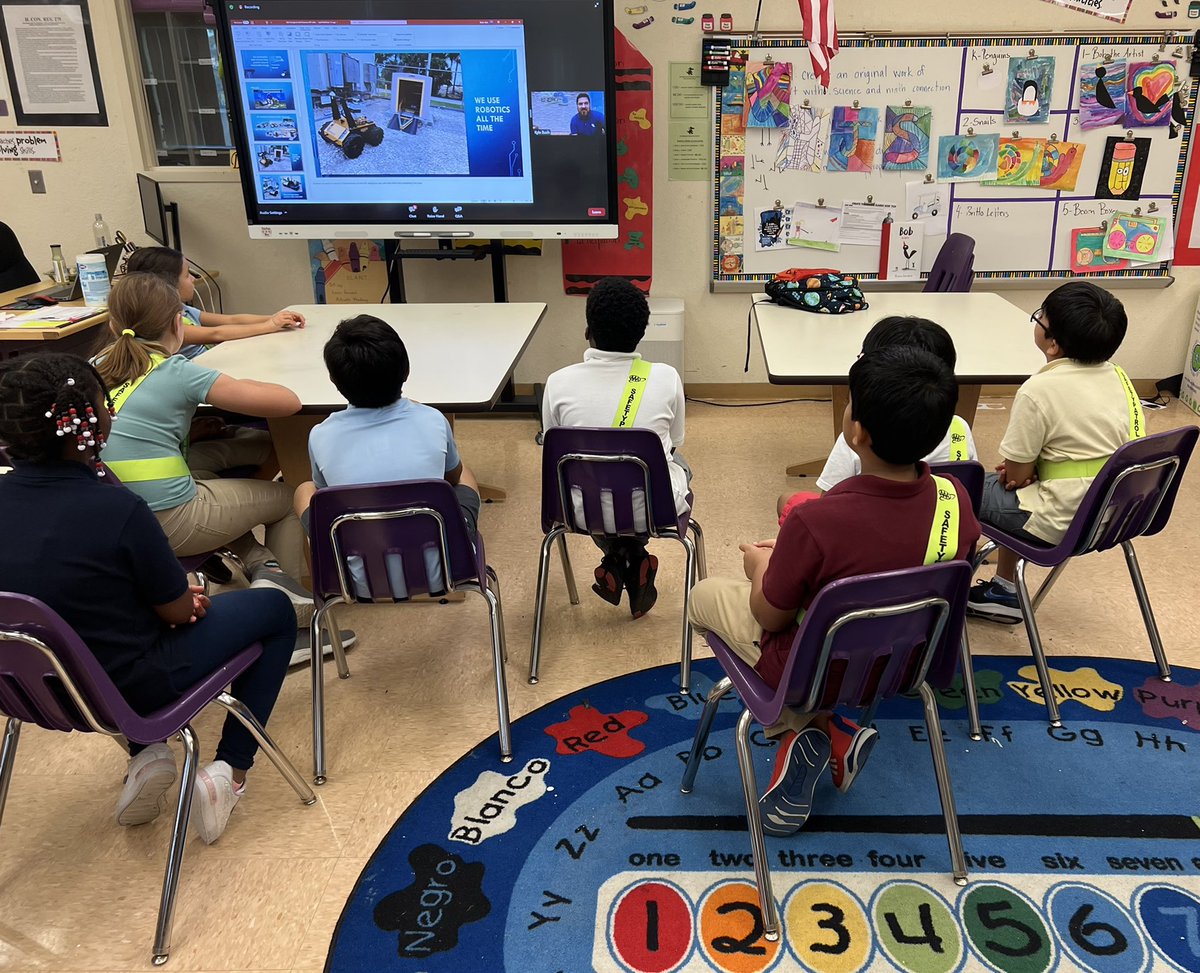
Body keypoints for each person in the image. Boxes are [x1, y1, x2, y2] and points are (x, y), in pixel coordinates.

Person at [0, 353, 297, 843]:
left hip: (29, 692)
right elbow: (178, 611)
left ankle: (147, 757)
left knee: (91, 628)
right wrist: (190, 598)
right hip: (125, 690)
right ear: (94, 424)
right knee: (275, 610)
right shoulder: (117, 509)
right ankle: (229, 773)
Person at [688, 346, 981, 836]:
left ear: (857, 432)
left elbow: (771, 616)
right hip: (907, 664)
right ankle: (835, 735)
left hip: (811, 669)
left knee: (704, 596)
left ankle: (812, 728)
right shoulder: (958, 501)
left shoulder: (815, 521)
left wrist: (762, 564)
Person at [93, 272, 315, 657]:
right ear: (179, 323)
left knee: (212, 468)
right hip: (167, 522)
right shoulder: (176, 371)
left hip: (114, 520)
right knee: (288, 495)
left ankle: (266, 569)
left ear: (114, 325)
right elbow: (288, 403)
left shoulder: (95, 365)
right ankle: (291, 622)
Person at [968, 281, 1143, 622]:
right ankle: (1004, 590)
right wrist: (1034, 471)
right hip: (1117, 513)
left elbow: (1015, 477)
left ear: (1053, 344)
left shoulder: (1039, 390)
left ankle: (940, 590)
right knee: (1020, 489)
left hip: (1064, 518)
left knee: (960, 489)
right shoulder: (1120, 377)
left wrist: (1025, 472)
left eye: (1040, 319)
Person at [293, 315, 482, 596]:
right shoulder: (433, 420)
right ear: (406, 370)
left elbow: (327, 495)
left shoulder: (320, 434)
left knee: (306, 490)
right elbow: (451, 477)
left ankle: (325, 576)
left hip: (358, 579)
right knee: (462, 472)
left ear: (333, 380)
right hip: (443, 569)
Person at [542, 276, 689, 618]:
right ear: (641, 333)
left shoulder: (557, 382)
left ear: (587, 331)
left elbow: (552, 451)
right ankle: (633, 554)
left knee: (597, 480)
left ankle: (618, 555)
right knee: (676, 461)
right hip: (655, 510)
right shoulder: (666, 377)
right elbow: (676, 442)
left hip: (580, 512)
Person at [777, 315, 978, 521]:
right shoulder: (959, 428)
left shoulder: (858, 439)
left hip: (860, 540)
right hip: (938, 535)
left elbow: (826, 512)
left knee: (787, 500)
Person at [124, 246, 305, 360]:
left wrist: (274, 318)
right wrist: (269, 325)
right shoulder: (163, 325)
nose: (193, 280)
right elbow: (216, 334)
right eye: (187, 275)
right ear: (167, 284)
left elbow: (231, 320)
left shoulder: (182, 309)